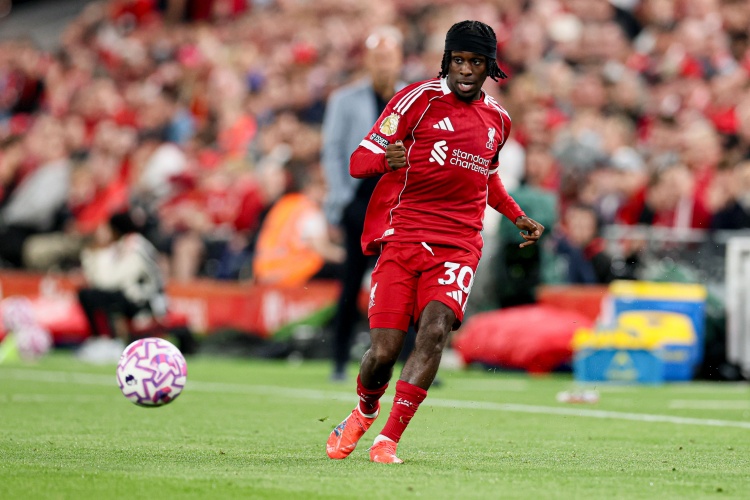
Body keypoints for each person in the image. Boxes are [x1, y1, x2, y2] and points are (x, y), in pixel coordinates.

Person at [325, 20, 544, 464]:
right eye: (458, 60)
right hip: (404, 237)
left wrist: (516, 215)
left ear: (490, 67)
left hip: (460, 244)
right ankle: (365, 409)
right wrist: (386, 160)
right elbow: (358, 160)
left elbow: (487, 178)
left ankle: (388, 440)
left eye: (475, 62)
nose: (465, 69)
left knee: (435, 331)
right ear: (447, 61)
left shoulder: (499, 120)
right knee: (383, 353)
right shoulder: (415, 100)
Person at [321, 25, 406, 380]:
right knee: (352, 280)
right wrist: (342, 199)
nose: (383, 63)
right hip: (359, 198)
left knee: (404, 282)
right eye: (377, 57)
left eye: (388, 56)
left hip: (397, 202)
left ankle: (411, 361)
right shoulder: (345, 99)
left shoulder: (411, 97)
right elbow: (332, 151)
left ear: (399, 59)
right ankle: (339, 359)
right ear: (368, 61)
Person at [76, 211, 167, 362]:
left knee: (95, 296)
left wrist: (93, 256)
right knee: (91, 294)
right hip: (132, 296)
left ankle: (112, 342)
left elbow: (115, 279)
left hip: (146, 301)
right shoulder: (121, 245)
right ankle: (103, 339)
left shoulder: (135, 245)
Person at [252, 165, 345, 286]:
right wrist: (350, 257)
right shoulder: (311, 212)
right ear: (312, 188)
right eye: (324, 189)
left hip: (265, 272)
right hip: (296, 274)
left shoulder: (286, 204)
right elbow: (322, 249)